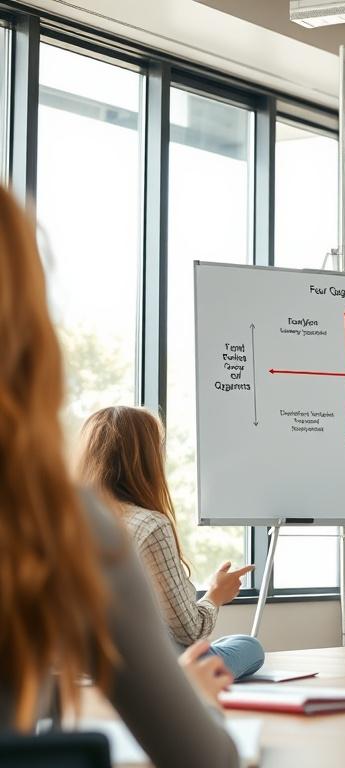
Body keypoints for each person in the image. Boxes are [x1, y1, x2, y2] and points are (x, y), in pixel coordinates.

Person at [0, 184, 238, 766]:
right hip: (154, 677)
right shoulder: (69, 531)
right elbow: (206, 754)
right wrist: (197, 685)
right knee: (239, 650)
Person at [77, 405, 265, 681]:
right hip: (140, 663)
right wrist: (215, 594)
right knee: (249, 646)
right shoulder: (149, 524)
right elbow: (188, 631)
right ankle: (190, 677)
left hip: (77, 658)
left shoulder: (62, 520)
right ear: (147, 458)